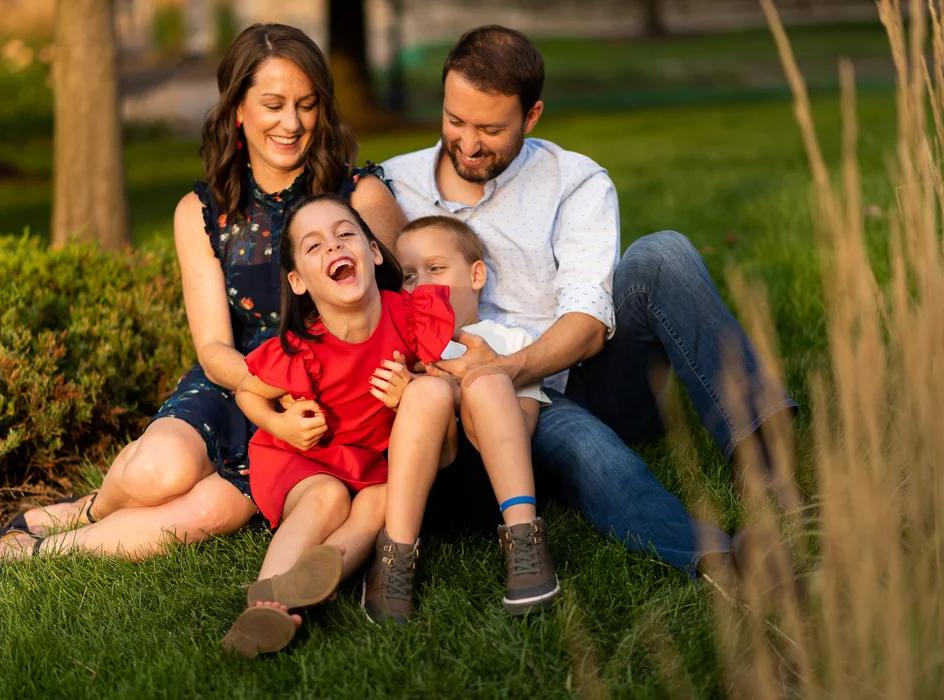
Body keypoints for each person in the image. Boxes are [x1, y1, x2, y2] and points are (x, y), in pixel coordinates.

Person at [0, 23, 407, 561]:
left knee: (208, 512)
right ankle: (90, 508)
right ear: (238, 108)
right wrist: (265, 401)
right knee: (155, 472)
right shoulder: (202, 212)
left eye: (307, 105)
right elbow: (214, 349)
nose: (292, 122)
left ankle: (20, 554)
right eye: (274, 104)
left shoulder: (361, 196)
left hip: (328, 398)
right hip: (239, 378)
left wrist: (299, 411)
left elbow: (400, 313)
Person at [380, 25, 802, 581]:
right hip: (492, 411)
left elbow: (588, 321)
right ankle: (715, 555)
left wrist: (506, 367)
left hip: (585, 373)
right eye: (455, 121)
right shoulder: (392, 186)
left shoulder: (573, 180)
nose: (469, 143)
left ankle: (764, 453)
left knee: (662, 255)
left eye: (490, 128)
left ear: (531, 117)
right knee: (587, 450)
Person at [220, 194, 454, 657]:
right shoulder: (306, 347)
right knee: (326, 497)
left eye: (345, 234)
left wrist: (410, 388)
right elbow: (247, 391)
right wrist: (280, 424)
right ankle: (263, 605)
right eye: (314, 246)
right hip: (301, 457)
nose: (333, 246)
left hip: (368, 462)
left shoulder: (407, 317)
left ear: (372, 251)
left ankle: (321, 572)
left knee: (383, 501)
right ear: (299, 282)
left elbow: (437, 389)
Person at [361, 216, 560, 624]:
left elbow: (523, 429)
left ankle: (526, 542)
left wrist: (464, 387)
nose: (422, 284)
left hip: (494, 490)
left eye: (436, 268)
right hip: (418, 496)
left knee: (487, 382)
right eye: (410, 276)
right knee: (425, 392)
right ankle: (395, 557)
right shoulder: (401, 347)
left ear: (476, 274)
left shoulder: (509, 345)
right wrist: (408, 395)